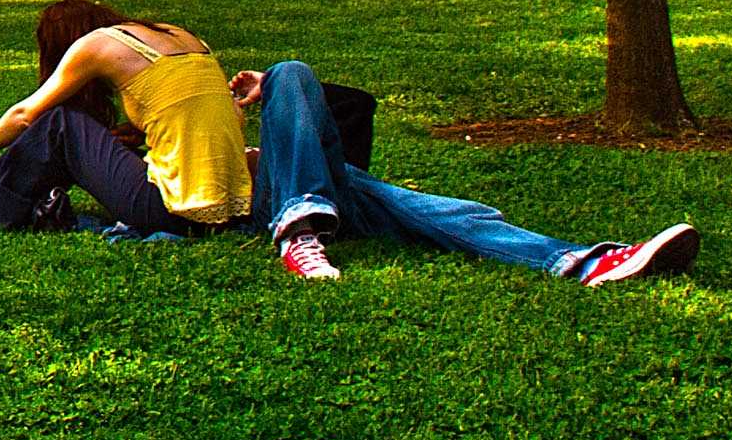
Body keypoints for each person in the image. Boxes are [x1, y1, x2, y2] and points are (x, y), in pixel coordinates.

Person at [237, 58, 700, 285]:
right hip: (264, 203)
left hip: (331, 194)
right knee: (427, 210)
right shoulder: (170, 162)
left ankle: (588, 264)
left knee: (290, 71)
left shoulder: (274, 127)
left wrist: (273, 90)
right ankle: (296, 230)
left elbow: (353, 111)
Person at [0, 0, 251, 237]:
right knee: (75, 138)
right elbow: (211, 114)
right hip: (230, 209)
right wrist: (139, 133)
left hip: (170, 213)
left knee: (60, 124)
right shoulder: (181, 37)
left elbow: (25, 115)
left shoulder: (96, 45)